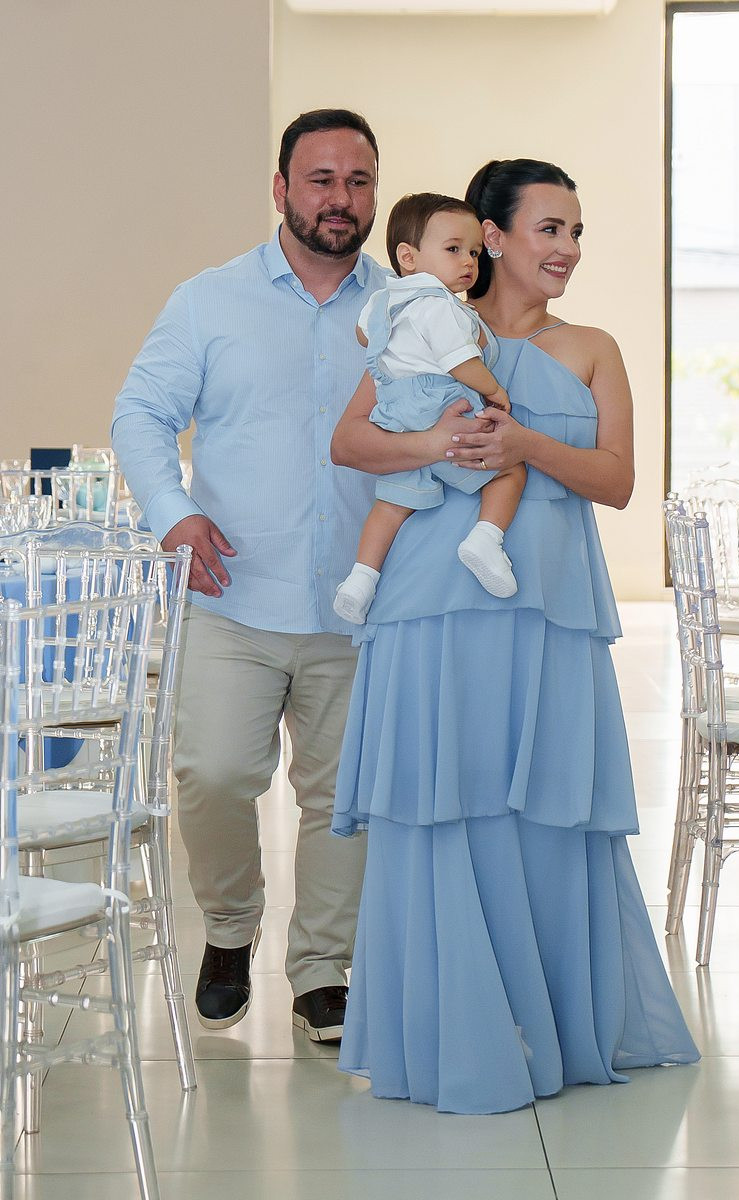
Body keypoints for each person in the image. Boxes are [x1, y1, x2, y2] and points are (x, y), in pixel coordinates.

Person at [329, 158, 699, 1112]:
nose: (567, 249)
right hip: (430, 603)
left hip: (550, 608)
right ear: (491, 237)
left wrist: (526, 444)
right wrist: (435, 445)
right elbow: (351, 442)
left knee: (548, 809)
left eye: (575, 232)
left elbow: (617, 481)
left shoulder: (593, 347)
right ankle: (454, 1032)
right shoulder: (428, 325)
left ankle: (558, 1030)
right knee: (442, 805)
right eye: (549, 229)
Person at [111, 109, 393, 1043]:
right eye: (321, 179)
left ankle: (322, 969)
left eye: (357, 180)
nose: (340, 198)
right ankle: (229, 927)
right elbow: (141, 413)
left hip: (361, 604)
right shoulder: (209, 301)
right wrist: (171, 512)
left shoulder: (405, 310)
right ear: (280, 189)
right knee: (213, 773)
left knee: (342, 800)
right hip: (232, 597)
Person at [334, 193, 526, 624]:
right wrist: (494, 389)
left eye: (474, 252)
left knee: (391, 505)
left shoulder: (383, 300)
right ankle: (485, 540)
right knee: (510, 470)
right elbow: (461, 363)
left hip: (395, 414)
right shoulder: (439, 306)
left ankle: (360, 580)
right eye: (454, 249)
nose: (468, 262)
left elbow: (365, 337)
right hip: (440, 405)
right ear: (408, 256)